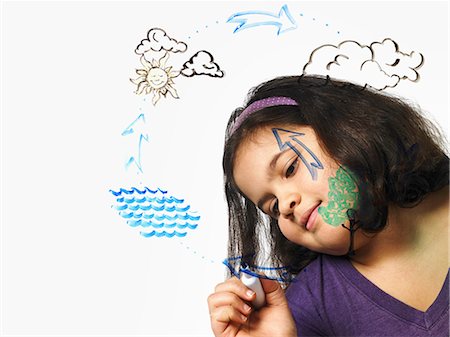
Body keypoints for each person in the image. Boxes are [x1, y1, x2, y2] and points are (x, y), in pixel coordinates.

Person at [207, 75, 449, 337]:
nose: (286, 205)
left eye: (290, 168)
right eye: (273, 207)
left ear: (348, 129)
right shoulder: (302, 311)